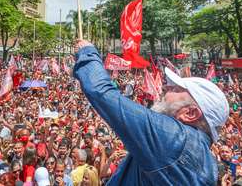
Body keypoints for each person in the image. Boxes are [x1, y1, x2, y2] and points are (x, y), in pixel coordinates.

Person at [73, 40, 229, 185]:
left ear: (190, 113)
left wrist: (87, 52)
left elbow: (102, 93)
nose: (166, 89)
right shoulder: (207, 161)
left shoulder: (174, 139)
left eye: (176, 89)